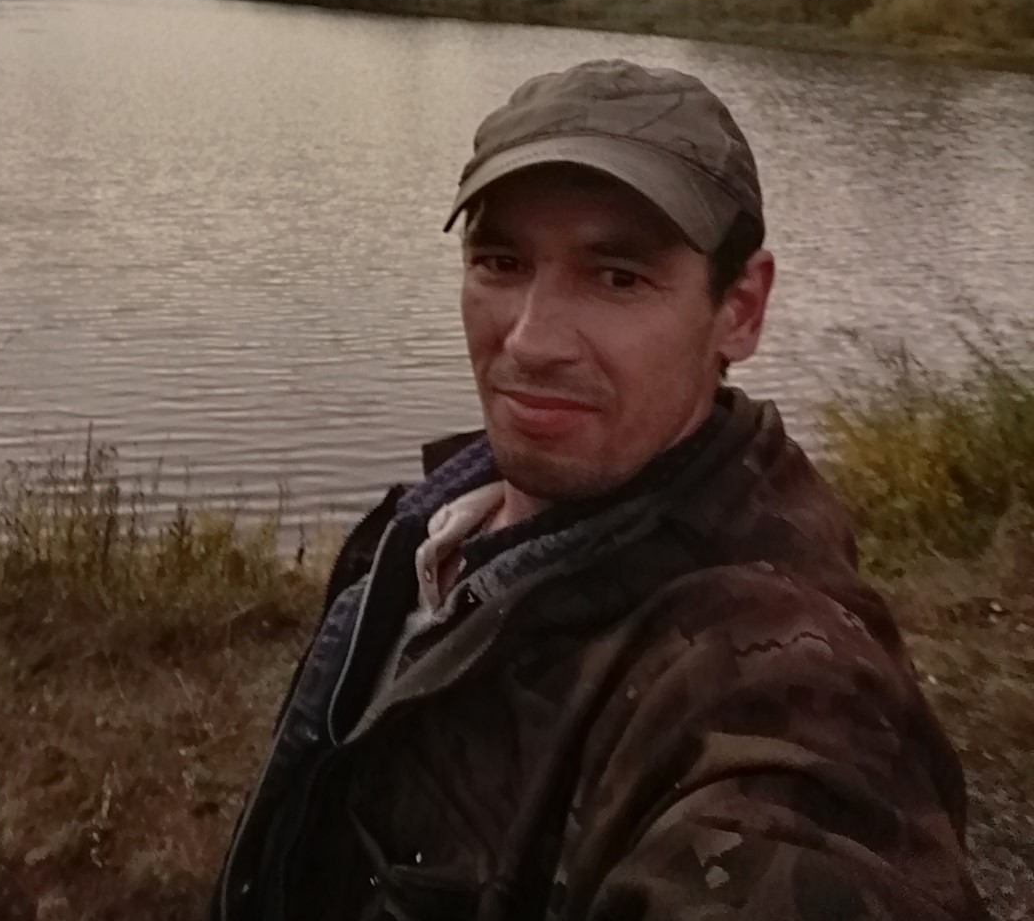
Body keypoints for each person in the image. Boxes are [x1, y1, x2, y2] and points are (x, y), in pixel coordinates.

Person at [211, 58, 984, 921]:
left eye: (618, 277)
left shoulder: (780, 681)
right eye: (501, 262)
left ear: (741, 308)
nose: (531, 341)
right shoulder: (437, 528)